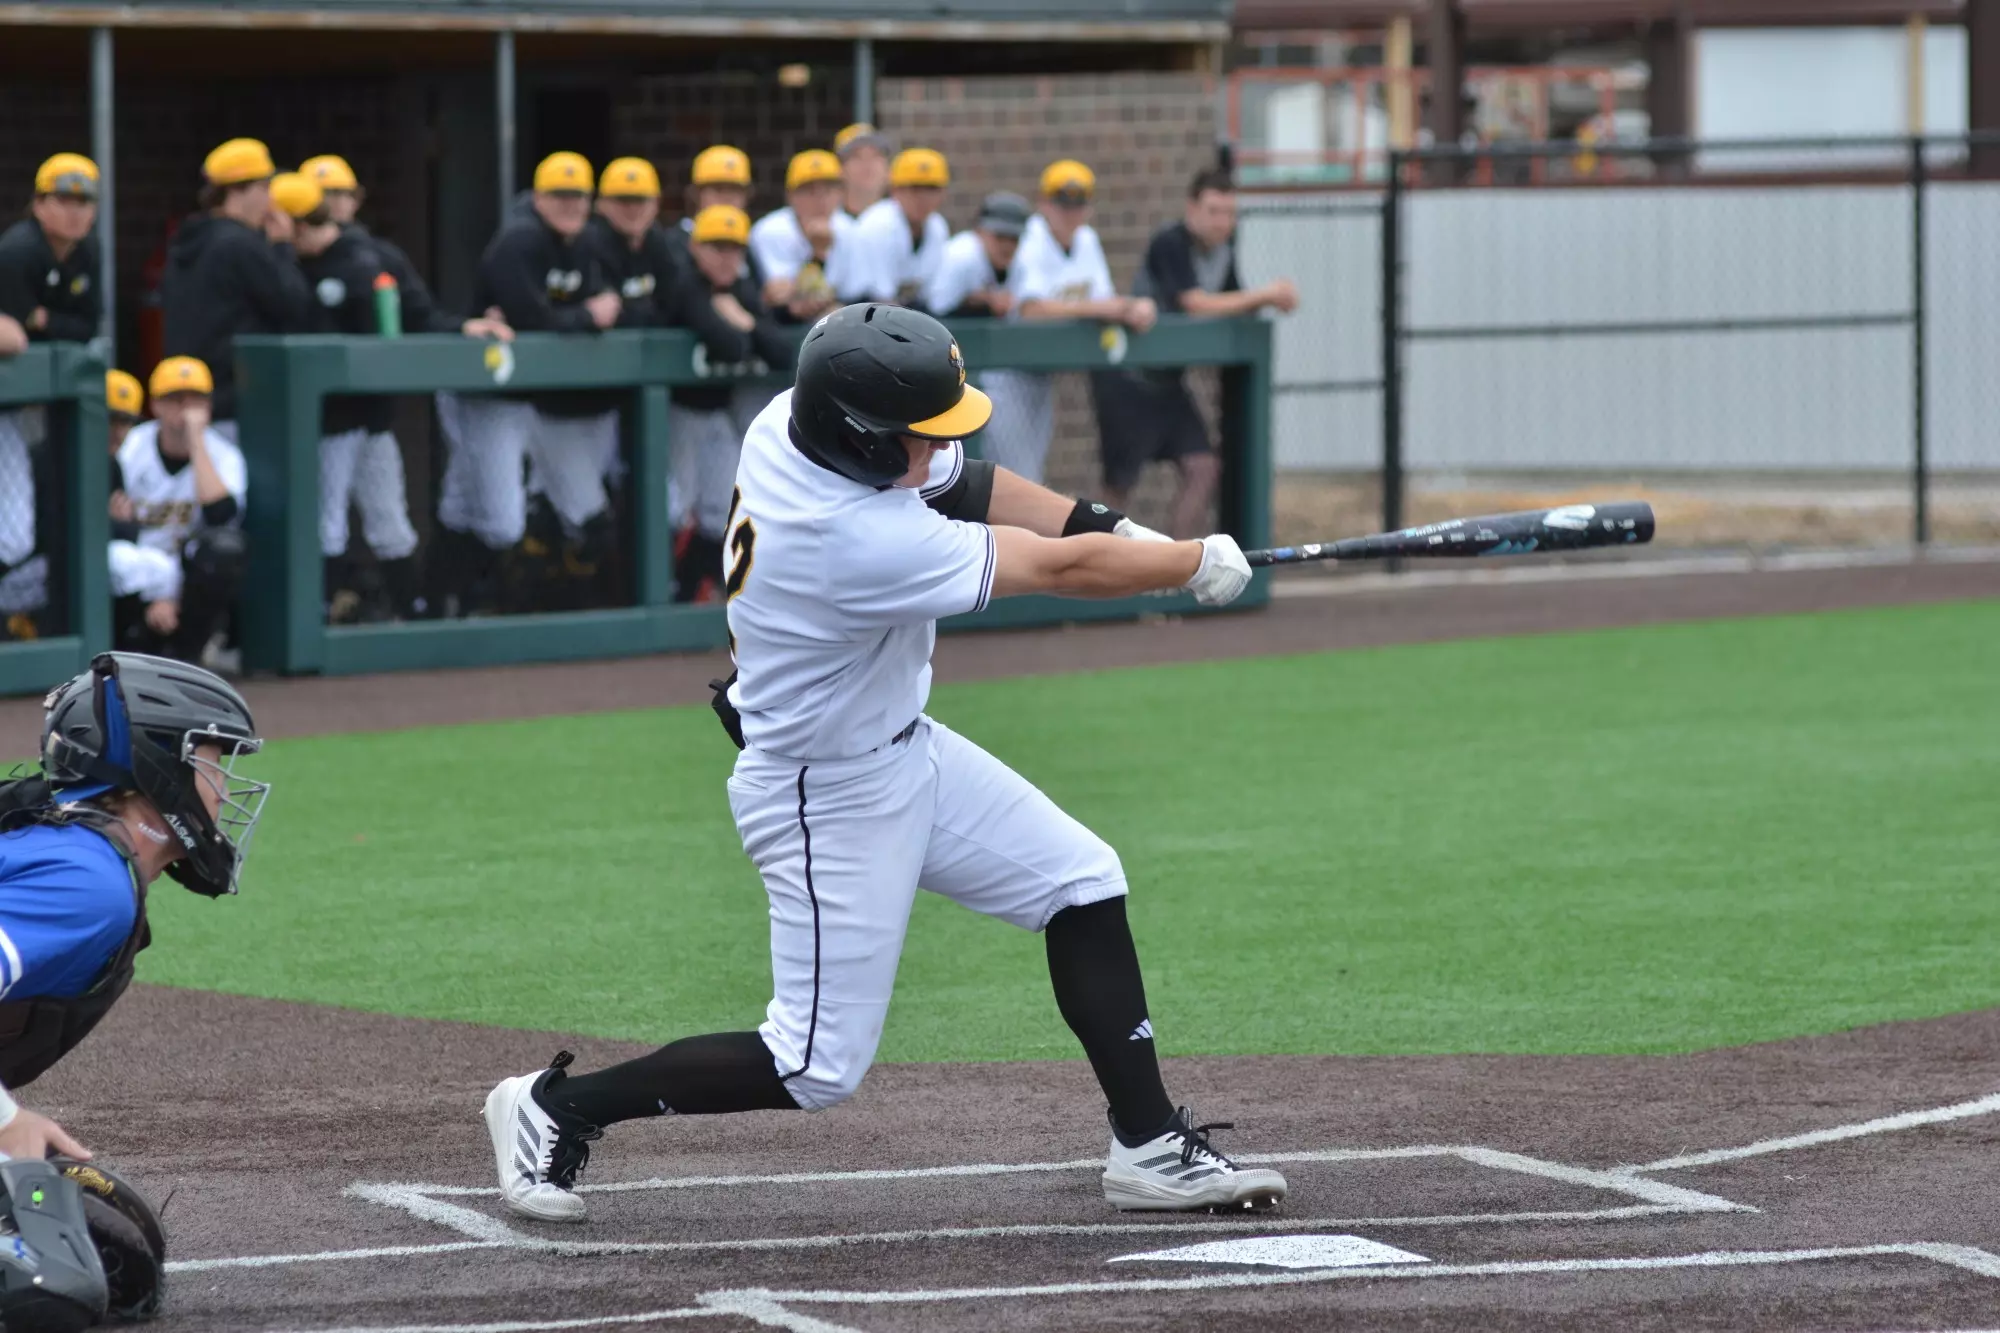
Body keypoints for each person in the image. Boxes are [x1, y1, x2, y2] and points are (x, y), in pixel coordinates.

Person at [482, 303, 1282, 1223]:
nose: (931, 447)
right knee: (812, 1062)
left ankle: (1147, 1145)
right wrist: (1181, 563)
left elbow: (969, 480)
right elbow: (1054, 569)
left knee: (1083, 879)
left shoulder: (789, 422)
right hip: (827, 792)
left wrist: (1118, 527)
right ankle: (552, 1107)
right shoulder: (851, 540)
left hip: (903, 746)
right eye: (913, 432)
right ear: (861, 439)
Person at [0, 650, 263, 1323]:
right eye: (211, 760)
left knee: (104, 1244)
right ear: (156, 762)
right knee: (49, 1283)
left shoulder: (71, 850)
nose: (225, 790)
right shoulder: (86, 880)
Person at [300, 153, 510, 618]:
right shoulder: (290, 257)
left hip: (371, 416)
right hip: (318, 421)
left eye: (339, 195)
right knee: (326, 524)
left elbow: (421, 314)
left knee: (390, 522)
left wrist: (461, 328)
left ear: (356, 200)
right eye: (320, 198)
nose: (332, 206)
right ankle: (314, 619)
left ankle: (410, 616)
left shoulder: (378, 255)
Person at [433, 152, 618, 617]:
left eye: (578, 196)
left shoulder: (584, 243)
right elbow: (530, 317)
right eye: (559, 195)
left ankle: (458, 601)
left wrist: (572, 316)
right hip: (483, 393)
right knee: (500, 521)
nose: (570, 204)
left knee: (562, 514)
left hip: (533, 401)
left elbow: (611, 306)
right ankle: (453, 602)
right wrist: (585, 316)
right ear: (538, 197)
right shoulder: (519, 240)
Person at [1099, 168, 1300, 536]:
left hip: (1170, 384)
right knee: (1120, 487)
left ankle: (1176, 568)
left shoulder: (1224, 251)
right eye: (1213, 211)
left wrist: (1273, 299)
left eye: (1229, 212)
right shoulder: (1169, 242)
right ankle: (1096, 566)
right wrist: (1265, 294)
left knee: (1203, 467)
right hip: (1130, 381)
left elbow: (1232, 302)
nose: (1222, 221)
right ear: (1192, 209)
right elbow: (1195, 304)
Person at [980, 160, 1154, 485]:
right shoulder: (1030, 237)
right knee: (1011, 478)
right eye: (1062, 204)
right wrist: (1111, 308)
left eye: (1078, 205)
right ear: (1044, 203)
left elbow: (1105, 299)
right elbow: (1030, 310)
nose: (1070, 213)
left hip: (1041, 376)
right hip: (1004, 374)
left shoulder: (1086, 239)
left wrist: (1125, 307)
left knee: (1030, 477)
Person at [663, 205, 790, 604]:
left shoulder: (740, 289)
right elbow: (729, 345)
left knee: (724, 508)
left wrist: (745, 320)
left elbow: (782, 351)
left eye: (734, 249)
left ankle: (687, 590)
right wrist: (741, 328)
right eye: (716, 247)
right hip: (670, 412)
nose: (726, 257)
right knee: (671, 510)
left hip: (713, 413)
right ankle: (656, 593)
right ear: (696, 248)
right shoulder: (684, 282)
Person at [0, 154, 103, 637]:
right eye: (64, 200)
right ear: (39, 204)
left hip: (27, 413)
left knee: (23, 532)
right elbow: (15, 334)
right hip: (11, 407)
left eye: (84, 202)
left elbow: (86, 327)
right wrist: (35, 322)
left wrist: (43, 319)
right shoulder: (19, 251)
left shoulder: (87, 253)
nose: (76, 212)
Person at [160, 138, 314, 436]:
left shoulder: (190, 239)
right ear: (237, 191)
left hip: (193, 401)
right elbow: (295, 306)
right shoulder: (241, 244)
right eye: (264, 188)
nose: (270, 201)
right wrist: (282, 247)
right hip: (237, 406)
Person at [109, 357, 248, 666]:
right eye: (174, 399)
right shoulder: (132, 447)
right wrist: (155, 592)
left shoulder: (223, 454)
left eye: (196, 400)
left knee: (225, 550)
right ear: (156, 406)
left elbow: (222, 516)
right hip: (137, 571)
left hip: (188, 578)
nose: (186, 409)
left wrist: (197, 441)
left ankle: (191, 652)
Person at [829, 148, 951, 307]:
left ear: (943, 193)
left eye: (930, 189)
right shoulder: (878, 223)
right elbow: (882, 299)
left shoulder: (937, 226)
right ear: (895, 190)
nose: (922, 198)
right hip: (857, 305)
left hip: (903, 306)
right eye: (914, 189)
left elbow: (933, 293)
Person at [750, 149, 849, 325]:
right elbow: (782, 298)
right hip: (782, 324)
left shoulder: (850, 229)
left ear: (841, 194)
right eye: (809, 191)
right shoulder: (771, 230)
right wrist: (819, 254)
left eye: (828, 190)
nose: (821, 200)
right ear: (790, 196)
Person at [924, 191, 1027, 319]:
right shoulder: (961, 255)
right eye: (1000, 237)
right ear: (980, 231)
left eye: (1013, 238)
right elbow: (937, 308)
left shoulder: (1021, 261)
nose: (1007, 246)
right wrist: (983, 300)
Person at [834, 122, 892, 218]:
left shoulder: (908, 218)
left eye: (876, 155)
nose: (867, 162)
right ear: (840, 169)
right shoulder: (830, 220)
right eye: (856, 156)